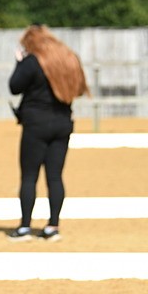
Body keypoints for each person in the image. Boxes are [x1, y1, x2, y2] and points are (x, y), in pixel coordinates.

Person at [7, 25, 89, 242]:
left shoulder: (33, 61)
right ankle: (53, 226)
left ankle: (25, 227)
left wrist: (20, 62)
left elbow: (14, 87)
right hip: (63, 123)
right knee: (55, 176)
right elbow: (80, 89)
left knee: (29, 176)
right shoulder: (68, 58)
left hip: (36, 124)